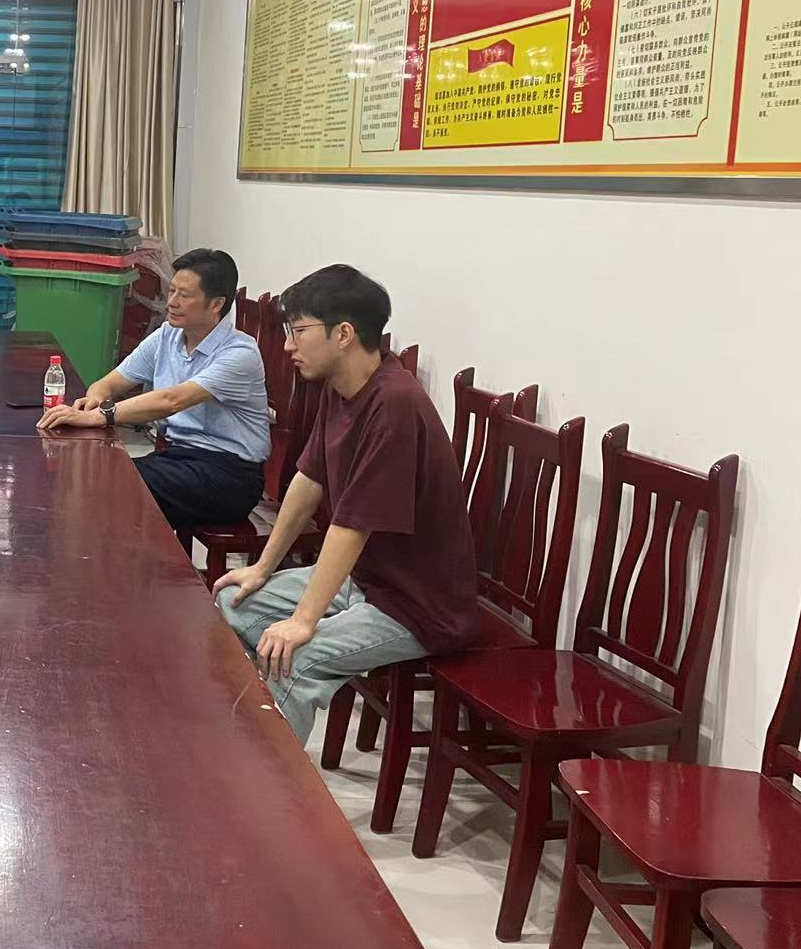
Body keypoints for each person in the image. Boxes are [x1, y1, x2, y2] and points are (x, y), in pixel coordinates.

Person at [213, 264, 477, 745]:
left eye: (298, 331)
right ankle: (249, 738)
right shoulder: (343, 386)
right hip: (368, 581)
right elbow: (308, 480)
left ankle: (270, 782)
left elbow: (351, 527)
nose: (288, 346)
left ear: (344, 334)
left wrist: (303, 622)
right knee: (233, 603)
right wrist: (262, 569)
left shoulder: (394, 405)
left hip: (417, 607)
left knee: (294, 657)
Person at [38, 248, 270, 552]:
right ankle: (122, 568)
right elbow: (110, 382)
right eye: (172, 291)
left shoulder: (240, 353)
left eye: (184, 295)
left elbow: (172, 400)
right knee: (102, 471)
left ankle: (134, 571)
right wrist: (92, 401)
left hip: (228, 475)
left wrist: (101, 415)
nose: (171, 302)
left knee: (121, 485)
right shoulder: (167, 336)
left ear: (216, 304)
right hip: (179, 459)